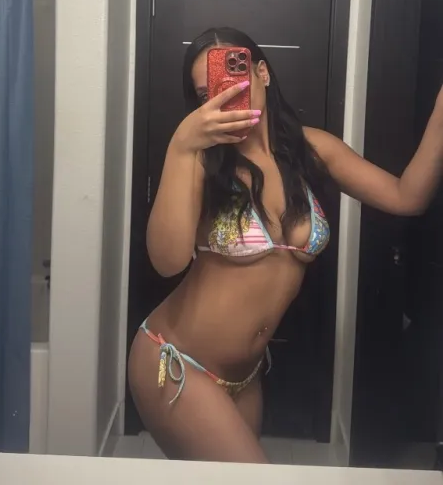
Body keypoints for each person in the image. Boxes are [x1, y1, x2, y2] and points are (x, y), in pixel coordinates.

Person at [128, 26, 443, 464]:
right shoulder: (200, 159)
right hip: (175, 361)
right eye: (207, 93)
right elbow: (166, 262)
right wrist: (181, 146)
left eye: (235, 77)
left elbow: (406, 197)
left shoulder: (312, 149)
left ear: (262, 73)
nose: (223, 96)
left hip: (245, 378)